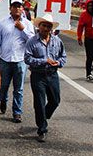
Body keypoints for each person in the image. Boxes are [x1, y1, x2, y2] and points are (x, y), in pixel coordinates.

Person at [24, 13, 67, 143]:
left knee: (55, 100)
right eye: (44, 25)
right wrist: (44, 61)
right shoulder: (32, 41)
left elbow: (63, 57)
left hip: (52, 74)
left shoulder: (57, 41)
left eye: (49, 26)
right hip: (38, 75)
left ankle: (44, 116)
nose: (46, 28)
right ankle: (42, 128)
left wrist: (58, 63)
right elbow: (27, 58)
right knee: (39, 102)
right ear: (39, 26)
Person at [0, 0, 35, 122]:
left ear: (22, 9)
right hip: (5, 59)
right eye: (14, 6)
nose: (17, 8)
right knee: (4, 86)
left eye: (19, 6)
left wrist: (23, 29)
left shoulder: (27, 24)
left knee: (19, 88)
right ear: (10, 8)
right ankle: (3, 101)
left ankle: (17, 112)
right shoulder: (2, 23)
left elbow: (32, 42)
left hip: (20, 60)